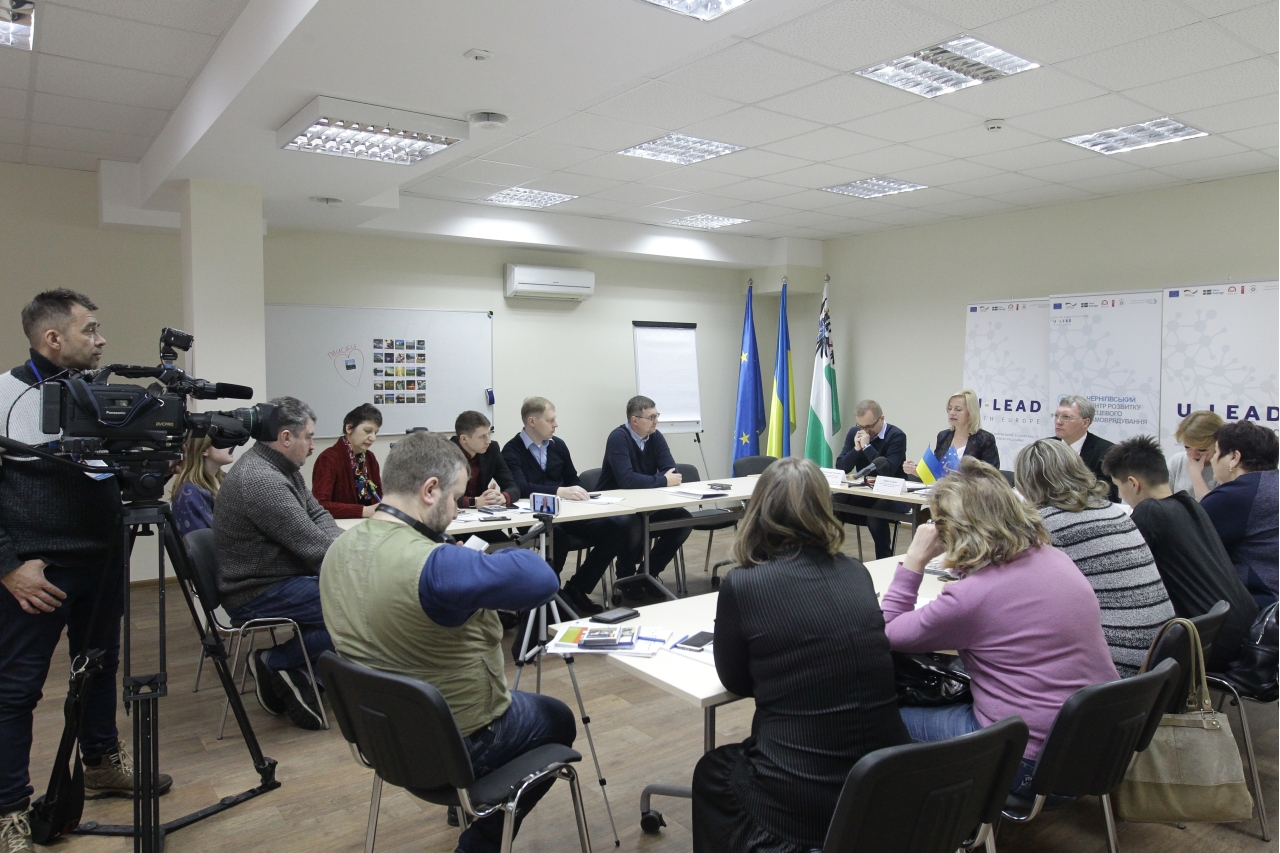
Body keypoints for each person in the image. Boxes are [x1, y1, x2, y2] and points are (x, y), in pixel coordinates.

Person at [320, 431, 572, 853]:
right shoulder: (436, 566)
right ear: (430, 490)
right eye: (455, 498)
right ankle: (479, 842)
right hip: (457, 743)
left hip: (381, 738)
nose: (456, 510)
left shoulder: (338, 548)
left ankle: (471, 807)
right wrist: (478, 560)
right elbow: (541, 579)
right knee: (558, 720)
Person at [0, 291, 172, 849]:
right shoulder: (4, 397)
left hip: (103, 561)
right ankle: (9, 811)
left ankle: (99, 765)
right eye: (90, 330)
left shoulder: (99, 396)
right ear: (54, 338)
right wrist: (8, 567)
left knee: (99, 668)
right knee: (15, 691)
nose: (101, 340)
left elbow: (107, 474)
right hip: (37, 572)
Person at [692, 458, 908, 853]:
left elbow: (736, 681)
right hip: (886, 779)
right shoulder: (856, 572)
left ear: (758, 511)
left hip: (803, 799)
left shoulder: (743, 584)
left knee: (712, 771)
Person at [881, 458, 1118, 798]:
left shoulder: (973, 598)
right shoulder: (1055, 558)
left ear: (954, 530)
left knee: (884, 719)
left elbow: (888, 631)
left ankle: (924, 813)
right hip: (1096, 749)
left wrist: (915, 560)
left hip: (1027, 763)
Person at [214, 396, 341, 730]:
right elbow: (314, 547)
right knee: (355, 610)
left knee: (350, 599)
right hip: (256, 592)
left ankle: (300, 674)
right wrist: (363, 561)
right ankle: (274, 660)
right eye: (309, 437)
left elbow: (318, 515)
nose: (313, 446)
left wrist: (345, 546)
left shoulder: (280, 467)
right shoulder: (262, 480)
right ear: (286, 438)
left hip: (277, 579)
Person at [1014, 439, 1174, 677]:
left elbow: (1009, 591)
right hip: (1156, 653)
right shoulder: (1112, 511)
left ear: (1027, 483)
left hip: (1117, 663)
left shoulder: (1048, 524)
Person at [1103, 435, 1259, 672]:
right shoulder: (1189, 504)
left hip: (1207, 643)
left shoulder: (1150, 512)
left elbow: (1118, 573)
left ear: (1133, 483)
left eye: (1118, 486)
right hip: (1240, 628)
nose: (1121, 494)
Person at [501, 397, 622, 615]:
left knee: (614, 530)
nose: (555, 425)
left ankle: (577, 588)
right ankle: (547, 597)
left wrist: (579, 492)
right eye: (550, 420)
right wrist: (559, 491)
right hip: (533, 517)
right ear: (532, 421)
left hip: (567, 513)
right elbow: (520, 487)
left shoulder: (558, 445)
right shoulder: (511, 451)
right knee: (557, 539)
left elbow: (572, 478)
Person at [597, 396, 691, 599]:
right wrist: (661, 480)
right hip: (615, 508)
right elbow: (626, 480)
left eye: (656, 416)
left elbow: (671, 470)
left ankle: (646, 575)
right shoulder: (618, 438)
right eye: (651, 417)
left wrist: (658, 479)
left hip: (646, 504)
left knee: (683, 520)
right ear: (634, 420)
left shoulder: (655, 436)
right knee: (633, 524)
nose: (656, 421)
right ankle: (626, 578)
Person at [1201, 420, 1279, 607]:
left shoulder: (1236, 495)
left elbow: (1183, 541)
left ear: (1234, 457)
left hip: (1262, 609)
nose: (1212, 460)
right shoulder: (1271, 485)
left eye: (1216, 452)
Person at [832, 399, 908, 560]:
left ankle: (883, 560)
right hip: (866, 490)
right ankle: (828, 555)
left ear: (882, 419)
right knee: (832, 503)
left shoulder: (896, 436)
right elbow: (841, 467)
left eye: (869, 426)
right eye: (861, 426)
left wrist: (867, 447)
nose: (865, 431)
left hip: (893, 495)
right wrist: (856, 449)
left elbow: (887, 470)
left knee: (875, 516)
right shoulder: (854, 433)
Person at [902, 389, 998, 479]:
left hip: (970, 490)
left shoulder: (985, 439)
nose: (952, 413)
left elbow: (991, 476)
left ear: (971, 412)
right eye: (949, 408)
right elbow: (934, 473)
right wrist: (914, 470)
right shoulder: (943, 436)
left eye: (958, 409)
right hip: (944, 489)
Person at [312, 403, 383, 519]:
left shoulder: (370, 457)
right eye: (367, 431)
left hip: (368, 523)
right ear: (349, 428)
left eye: (376, 433)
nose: (373, 438)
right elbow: (320, 505)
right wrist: (364, 511)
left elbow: (379, 496)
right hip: (339, 525)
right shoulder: (328, 458)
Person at [1052, 395, 1117, 502]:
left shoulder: (1107, 452)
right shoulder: (1045, 447)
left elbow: (1110, 495)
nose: (1058, 421)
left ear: (1085, 422)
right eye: (1056, 416)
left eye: (1066, 417)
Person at [450, 411, 518, 509]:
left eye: (488, 434)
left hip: (481, 513)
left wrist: (501, 497)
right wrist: (474, 502)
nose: (488, 441)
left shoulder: (492, 449)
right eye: (482, 436)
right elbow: (442, 496)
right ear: (464, 439)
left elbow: (513, 486)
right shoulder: (446, 453)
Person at [171, 435, 235, 535]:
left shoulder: (228, 480)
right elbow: (205, 541)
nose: (231, 446)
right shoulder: (190, 493)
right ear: (204, 450)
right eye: (223, 442)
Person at [1169, 409, 1223, 499]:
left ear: (1218, 444)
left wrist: (1195, 475)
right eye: (1187, 447)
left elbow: (1211, 506)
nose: (1193, 455)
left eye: (1202, 449)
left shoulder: (1225, 469)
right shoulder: (1177, 461)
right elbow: (1163, 502)